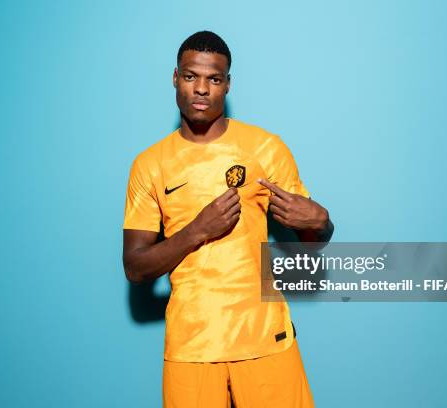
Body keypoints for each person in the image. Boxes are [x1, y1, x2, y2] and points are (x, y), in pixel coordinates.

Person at [123, 30, 333, 408]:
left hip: (266, 340)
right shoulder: (149, 164)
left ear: (227, 84)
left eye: (214, 79)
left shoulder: (265, 147)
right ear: (175, 78)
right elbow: (136, 268)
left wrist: (321, 222)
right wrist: (197, 231)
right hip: (191, 347)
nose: (201, 89)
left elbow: (312, 243)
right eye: (191, 76)